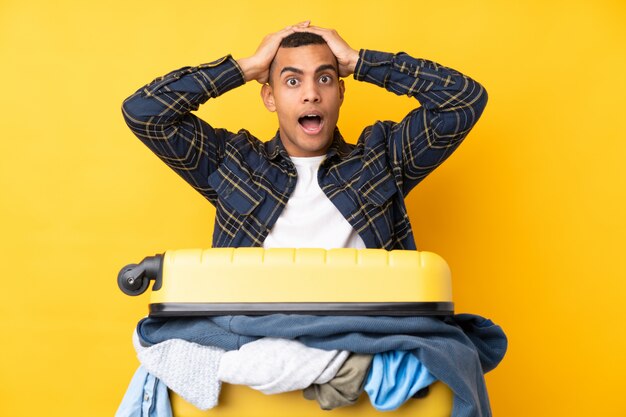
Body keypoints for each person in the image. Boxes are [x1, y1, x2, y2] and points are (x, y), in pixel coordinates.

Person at [122, 22, 487, 250]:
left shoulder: (382, 158)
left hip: (365, 332)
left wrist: (361, 62)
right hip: (258, 333)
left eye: (325, 78)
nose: (311, 93)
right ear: (270, 97)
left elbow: (463, 101)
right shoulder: (232, 162)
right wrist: (245, 67)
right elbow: (145, 112)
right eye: (292, 81)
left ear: (341, 92)